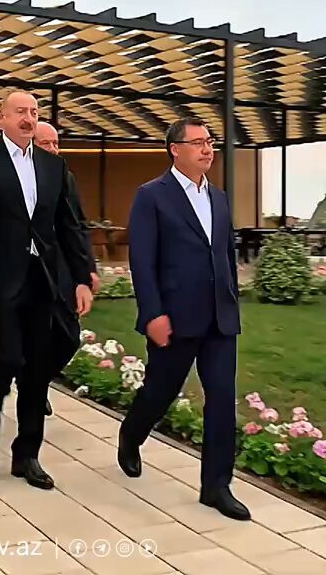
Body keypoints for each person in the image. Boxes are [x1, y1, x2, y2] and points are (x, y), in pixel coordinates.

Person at [0, 90, 93, 490]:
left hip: (43, 279)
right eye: (20, 112)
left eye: (33, 111)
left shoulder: (53, 165)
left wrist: (81, 277)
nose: (28, 118)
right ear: (1, 117)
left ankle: (27, 455)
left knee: (37, 367)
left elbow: (68, 225)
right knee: (9, 357)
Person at [119, 117, 250, 521]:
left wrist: (231, 300)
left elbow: (224, 254)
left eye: (210, 142)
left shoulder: (219, 198)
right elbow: (142, 261)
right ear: (175, 150)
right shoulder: (152, 196)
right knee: (160, 392)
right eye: (198, 143)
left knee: (222, 399)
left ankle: (216, 486)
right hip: (174, 318)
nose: (208, 149)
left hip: (220, 320)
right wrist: (153, 313)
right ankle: (131, 434)